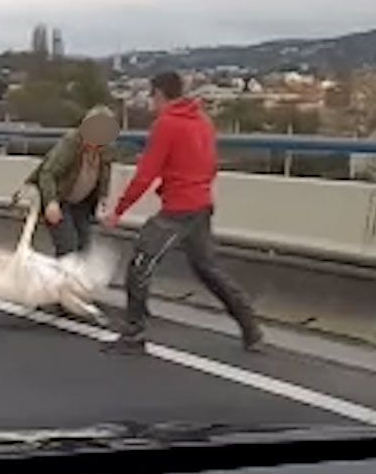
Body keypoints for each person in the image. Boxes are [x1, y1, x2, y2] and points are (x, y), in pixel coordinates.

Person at [104, 72, 265, 353]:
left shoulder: (166, 125)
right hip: (201, 206)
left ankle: (134, 334)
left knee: (140, 265)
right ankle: (251, 328)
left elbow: (146, 174)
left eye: (152, 96)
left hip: (177, 211)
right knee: (209, 270)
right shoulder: (203, 121)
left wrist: (118, 210)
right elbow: (212, 164)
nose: (151, 103)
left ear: (159, 94)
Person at [23, 105, 120, 257]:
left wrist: (102, 200)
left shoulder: (106, 149)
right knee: (68, 246)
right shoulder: (72, 142)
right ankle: (62, 277)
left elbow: (104, 175)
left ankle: (73, 277)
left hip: (82, 203)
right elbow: (48, 173)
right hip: (61, 198)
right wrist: (51, 202)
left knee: (84, 247)